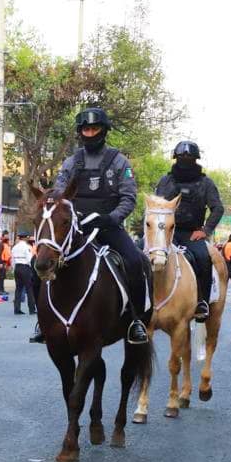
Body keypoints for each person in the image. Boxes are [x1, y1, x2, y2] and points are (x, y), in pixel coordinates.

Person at [54, 107, 150, 344]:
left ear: (104, 131)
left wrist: (112, 218)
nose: (90, 133)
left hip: (108, 226)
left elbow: (129, 197)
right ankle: (44, 321)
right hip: (76, 228)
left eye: (94, 128)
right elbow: (58, 193)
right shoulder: (71, 162)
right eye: (86, 129)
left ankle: (137, 320)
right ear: (80, 133)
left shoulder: (119, 161)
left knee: (136, 261)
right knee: (44, 260)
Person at [154, 140, 225, 320]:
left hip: (191, 234)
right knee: (140, 252)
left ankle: (202, 301)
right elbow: (155, 206)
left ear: (196, 159)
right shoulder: (165, 180)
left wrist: (205, 230)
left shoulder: (206, 182)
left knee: (203, 257)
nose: (185, 160)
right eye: (181, 157)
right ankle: (142, 301)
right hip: (165, 232)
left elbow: (217, 208)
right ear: (175, 158)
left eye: (189, 158)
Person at [10, 233, 36, 315]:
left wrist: (14, 268)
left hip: (17, 268)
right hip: (25, 268)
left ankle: (16, 309)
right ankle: (31, 309)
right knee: (29, 289)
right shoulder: (27, 247)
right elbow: (29, 259)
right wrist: (32, 270)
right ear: (25, 238)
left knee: (18, 289)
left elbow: (12, 260)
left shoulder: (14, 247)